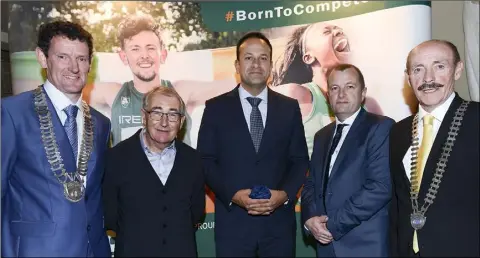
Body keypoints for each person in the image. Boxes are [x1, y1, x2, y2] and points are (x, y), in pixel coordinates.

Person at [1, 21, 111, 257]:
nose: (74, 67)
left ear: (90, 64)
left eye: (81, 59)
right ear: (42, 58)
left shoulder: (102, 124)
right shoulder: (11, 114)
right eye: (62, 56)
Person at [197, 31, 309, 257]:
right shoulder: (215, 108)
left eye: (263, 58)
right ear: (237, 66)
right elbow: (205, 161)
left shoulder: (289, 108)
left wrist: (285, 195)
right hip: (233, 227)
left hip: (278, 228)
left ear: (270, 64)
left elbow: (299, 160)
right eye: (249, 58)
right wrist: (233, 195)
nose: (256, 64)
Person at [389, 39, 479, 257]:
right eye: (418, 69)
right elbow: (396, 206)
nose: (428, 79)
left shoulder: (476, 119)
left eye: (439, 66)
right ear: (408, 78)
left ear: (457, 70)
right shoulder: (398, 132)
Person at [301, 64, 394, 257]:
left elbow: (380, 187)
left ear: (363, 93)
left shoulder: (380, 127)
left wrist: (332, 224)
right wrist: (310, 219)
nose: (341, 94)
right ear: (328, 96)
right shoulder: (321, 136)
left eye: (350, 87)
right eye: (335, 88)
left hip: (365, 246)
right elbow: (311, 184)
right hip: (326, 246)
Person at [102, 86, 205, 257]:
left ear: (181, 122)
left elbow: (196, 213)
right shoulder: (116, 158)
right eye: (157, 113)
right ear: (144, 116)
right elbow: (110, 216)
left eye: (172, 115)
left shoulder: (193, 160)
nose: (164, 123)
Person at [270, 22, 383, 157]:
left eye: (339, 29)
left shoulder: (368, 105)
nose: (338, 32)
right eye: (326, 32)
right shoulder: (294, 95)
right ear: (309, 57)